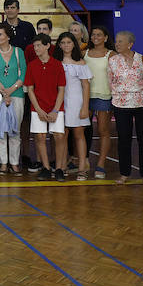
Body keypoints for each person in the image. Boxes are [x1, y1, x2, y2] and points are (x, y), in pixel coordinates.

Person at [109, 30, 143, 187]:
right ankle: (124, 173)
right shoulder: (113, 60)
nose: (117, 44)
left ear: (130, 44)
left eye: (121, 41)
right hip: (121, 105)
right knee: (124, 140)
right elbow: (111, 82)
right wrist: (116, 97)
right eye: (116, 41)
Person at [25, 34, 67, 182]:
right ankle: (46, 168)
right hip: (38, 107)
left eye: (39, 46)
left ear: (47, 46)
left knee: (59, 136)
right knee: (40, 137)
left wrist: (55, 110)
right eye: (34, 46)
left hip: (56, 106)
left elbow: (61, 89)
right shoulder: (32, 65)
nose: (36, 49)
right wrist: (38, 109)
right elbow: (30, 89)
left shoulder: (57, 65)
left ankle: (60, 168)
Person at [0, 24, 26, 175]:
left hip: (16, 94)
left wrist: (11, 90)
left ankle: (14, 163)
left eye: (0, 35)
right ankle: (3, 162)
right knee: (0, 130)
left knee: (15, 130)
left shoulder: (18, 52)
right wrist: (3, 92)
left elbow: (23, 73)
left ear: (8, 36)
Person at [54, 32, 91, 181]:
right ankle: (61, 167)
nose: (66, 45)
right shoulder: (56, 62)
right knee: (61, 135)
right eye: (63, 43)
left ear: (73, 44)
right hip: (60, 102)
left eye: (68, 42)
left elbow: (86, 87)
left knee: (79, 134)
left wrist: (85, 107)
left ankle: (82, 168)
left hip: (76, 102)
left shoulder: (80, 63)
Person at [84, 25, 115, 179]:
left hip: (104, 96)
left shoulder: (111, 55)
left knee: (103, 130)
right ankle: (83, 162)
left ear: (105, 38)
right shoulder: (84, 53)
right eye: (93, 34)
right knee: (83, 130)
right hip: (85, 96)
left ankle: (101, 164)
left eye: (99, 34)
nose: (95, 37)